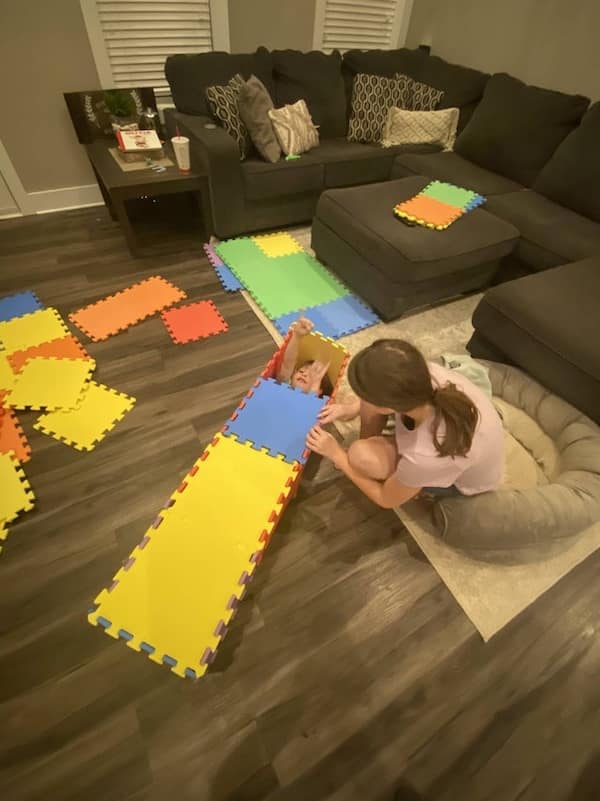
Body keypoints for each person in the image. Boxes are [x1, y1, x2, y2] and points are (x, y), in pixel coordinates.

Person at [306, 338, 504, 509]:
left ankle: (415, 487)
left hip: (459, 482)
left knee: (359, 456)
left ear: (386, 407)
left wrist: (338, 455)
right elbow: (376, 396)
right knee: (370, 396)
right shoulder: (426, 373)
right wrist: (349, 409)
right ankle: (395, 467)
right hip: (448, 444)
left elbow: (385, 499)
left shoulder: (426, 455)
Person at [277, 315, 331, 395]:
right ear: (291, 378)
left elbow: (313, 396)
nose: (304, 374)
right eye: (301, 371)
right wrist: (297, 336)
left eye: (311, 375)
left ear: (319, 391)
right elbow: (287, 364)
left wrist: (315, 383)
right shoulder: (285, 385)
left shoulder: (311, 401)